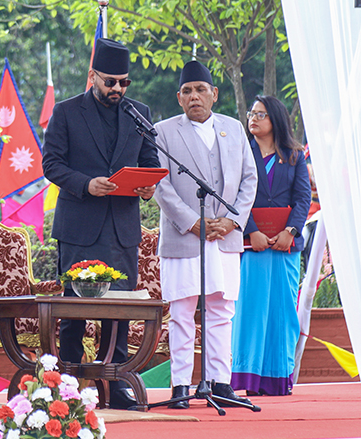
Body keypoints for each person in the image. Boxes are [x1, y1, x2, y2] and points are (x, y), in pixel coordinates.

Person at [41, 38, 161, 410]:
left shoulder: (138, 113)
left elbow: (151, 158)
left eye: (124, 83)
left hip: (122, 229)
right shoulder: (66, 112)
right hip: (79, 226)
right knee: (74, 310)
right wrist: (85, 184)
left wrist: (146, 186)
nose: (117, 89)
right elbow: (51, 164)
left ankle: (118, 382)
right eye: (110, 82)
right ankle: (70, 385)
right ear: (93, 76)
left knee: (120, 309)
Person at [153, 60, 257, 409]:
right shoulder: (163, 131)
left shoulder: (234, 129)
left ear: (214, 94)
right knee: (182, 311)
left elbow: (249, 179)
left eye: (201, 90)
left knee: (221, 309)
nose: (194, 96)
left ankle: (220, 381)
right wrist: (193, 222)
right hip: (184, 235)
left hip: (224, 236)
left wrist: (231, 221)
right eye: (187, 91)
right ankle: (181, 384)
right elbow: (160, 185)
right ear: (179, 98)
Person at [230, 95, 310, 396]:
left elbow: (303, 198)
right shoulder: (241, 153)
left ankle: (277, 378)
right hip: (253, 248)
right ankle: (248, 379)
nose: (253, 118)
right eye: (251, 113)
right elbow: (235, 197)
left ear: (275, 119)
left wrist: (291, 230)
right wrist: (251, 231)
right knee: (250, 312)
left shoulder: (293, 155)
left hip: (285, 247)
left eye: (260, 114)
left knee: (282, 311)